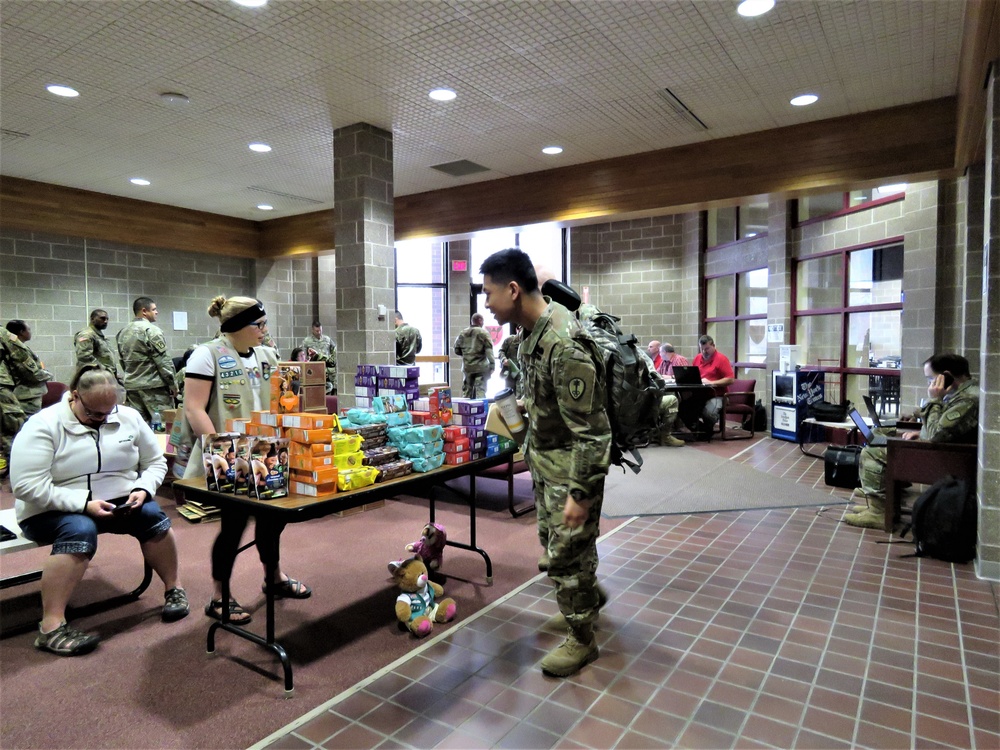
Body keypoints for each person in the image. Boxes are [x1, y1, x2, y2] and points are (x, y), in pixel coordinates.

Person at [481, 248, 611, 678]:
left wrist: (580, 494)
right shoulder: (532, 334)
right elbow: (550, 398)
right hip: (546, 465)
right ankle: (587, 598)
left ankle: (582, 638)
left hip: (569, 471)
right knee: (561, 548)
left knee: (565, 557)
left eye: (488, 293)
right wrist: (524, 406)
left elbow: (593, 433)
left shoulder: (563, 343)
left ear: (513, 290)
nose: (486, 303)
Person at [10, 366, 188, 656]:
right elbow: (26, 486)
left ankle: (174, 589)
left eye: (108, 412)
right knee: (81, 529)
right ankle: (50, 627)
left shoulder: (129, 417)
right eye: (93, 413)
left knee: (152, 516)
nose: (102, 419)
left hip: (116, 500)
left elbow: (155, 463)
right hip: (50, 507)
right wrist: (83, 504)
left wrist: (143, 489)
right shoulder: (42, 425)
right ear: (75, 396)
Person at [181, 296, 311, 624]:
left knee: (272, 521)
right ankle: (219, 595)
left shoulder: (268, 354)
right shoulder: (207, 354)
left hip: (267, 452)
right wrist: (221, 453)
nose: (265, 330)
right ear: (238, 326)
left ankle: (274, 577)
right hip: (228, 454)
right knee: (234, 525)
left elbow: (283, 400)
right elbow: (194, 408)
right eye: (259, 324)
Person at [845, 353, 980, 529]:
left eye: (930, 379)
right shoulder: (963, 392)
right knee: (881, 435)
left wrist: (934, 399)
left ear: (946, 376)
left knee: (872, 452)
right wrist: (920, 433)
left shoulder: (968, 399)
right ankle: (884, 503)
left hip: (949, 459)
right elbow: (944, 429)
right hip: (945, 451)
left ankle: (879, 513)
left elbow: (936, 434)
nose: (929, 385)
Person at [116, 297, 176, 424]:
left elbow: (123, 361)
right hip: (154, 388)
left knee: (138, 426)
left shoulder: (122, 332)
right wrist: (172, 384)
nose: (157, 312)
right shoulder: (152, 330)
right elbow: (163, 361)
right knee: (163, 425)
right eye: (154, 309)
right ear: (144, 311)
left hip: (132, 387)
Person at [2, 320, 54, 416]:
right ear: (21, 332)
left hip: (25, 395)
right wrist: (48, 374)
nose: (30, 332)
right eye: (28, 329)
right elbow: (33, 374)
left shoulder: (16, 347)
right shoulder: (18, 349)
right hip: (27, 397)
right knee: (30, 422)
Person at [692, 334, 735, 437]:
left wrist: (711, 382)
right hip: (700, 395)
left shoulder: (721, 359)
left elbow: (730, 379)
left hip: (718, 395)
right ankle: (701, 429)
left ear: (713, 346)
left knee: (709, 412)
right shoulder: (697, 358)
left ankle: (706, 431)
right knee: (683, 408)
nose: (704, 352)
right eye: (702, 349)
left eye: (707, 349)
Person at [454, 313, 495, 398]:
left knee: (467, 392)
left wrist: (467, 355)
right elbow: (489, 351)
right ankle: (480, 406)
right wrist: (492, 365)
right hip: (481, 367)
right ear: (480, 320)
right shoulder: (484, 333)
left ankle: (466, 406)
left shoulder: (463, 333)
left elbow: (456, 350)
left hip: (467, 367)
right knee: (480, 390)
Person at [73, 309, 121, 382]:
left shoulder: (99, 335)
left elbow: (106, 357)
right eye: (102, 318)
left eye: (107, 319)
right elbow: (84, 357)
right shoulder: (86, 334)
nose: (105, 321)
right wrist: (105, 370)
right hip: (93, 378)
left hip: (104, 376)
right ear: (92, 319)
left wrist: (113, 372)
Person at [300, 321, 337, 394]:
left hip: (327, 367)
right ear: (312, 330)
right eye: (317, 331)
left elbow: (334, 351)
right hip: (314, 368)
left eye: (320, 330)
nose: (319, 332)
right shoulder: (307, 341)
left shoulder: (327, 339)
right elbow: (303, 355)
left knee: (331, 386)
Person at [498, 326, 523, 396]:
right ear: (517, 329)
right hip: (510, 372)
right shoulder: (509, 340)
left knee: (520, 395)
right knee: (509, 394)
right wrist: (504, 359)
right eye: (520, 329)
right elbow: (501, 351)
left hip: (522, 374)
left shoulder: (527, 342)